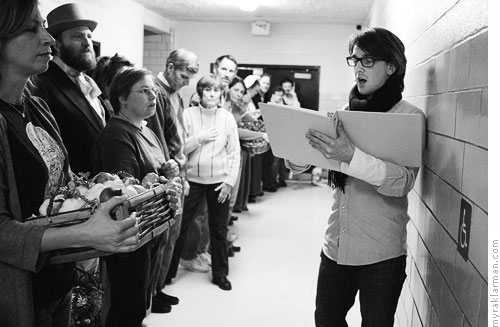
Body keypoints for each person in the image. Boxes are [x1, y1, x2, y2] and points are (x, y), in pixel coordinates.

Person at [0, 1, 140, 326]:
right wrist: (84, 234)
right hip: (18, 294)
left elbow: (59, 183)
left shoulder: (36, 106)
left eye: (45, 27)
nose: (48, 39)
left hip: (56, 283)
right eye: (31, 28)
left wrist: (93, 185)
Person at [287, 28, 425, 326]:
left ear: (391, 66)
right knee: (326, 320)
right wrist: (296, 151)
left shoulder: (408, 117)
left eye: (368, 60)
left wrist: (350, 156)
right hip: (335, 246)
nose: (358, 67)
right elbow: (304, 166)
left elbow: (402, 183)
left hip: (381, 254)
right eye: (355, 60)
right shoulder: (341, 115)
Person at [92, 68, 181, 327]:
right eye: (144, 91)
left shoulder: (145, 129)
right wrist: (158, 181)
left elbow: (153, 169)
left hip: (150, 231)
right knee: (126, 306)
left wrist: (167, 169)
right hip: (130, 237)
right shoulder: (117, 135)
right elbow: (125, 190)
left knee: (138, 304)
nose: (153, 96)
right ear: (122, 98)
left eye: (153, 90)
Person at [169, 74, 240, 291]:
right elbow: (179, 148)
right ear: (200, 92)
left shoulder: (227, 118)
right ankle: (168, 274)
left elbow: (234, 153)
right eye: (208, 90)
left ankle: (220, 274)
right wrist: (200, 138)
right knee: (180, 227)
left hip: (219, 182)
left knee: (218, 230)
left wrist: (228, 182)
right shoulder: (188, 115)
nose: (212, 94)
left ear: (221, 94)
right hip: (192, 181)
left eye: (216, 91)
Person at [145, 48, 199, 314]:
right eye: (182, 75)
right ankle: (151, 294)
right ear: (168, 67)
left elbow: (177, 138)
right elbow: (158, 142)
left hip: (179, 174)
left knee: (172, 236)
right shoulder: (155, 93)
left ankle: (158, 288)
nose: (186, 82)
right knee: (162, 238)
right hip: (167, 176)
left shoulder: (175, 94)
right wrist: (173, 178)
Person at [33, 3, 112, 176]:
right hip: (75, 193)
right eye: (77, 37)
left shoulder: (89, 83)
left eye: (89, 36)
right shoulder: (41, 84)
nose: (87, 43)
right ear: (58, 45)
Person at [261, 86, 286, 193]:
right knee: (270, 161)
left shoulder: (283, 105)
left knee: (277, 161)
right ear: (273, 94)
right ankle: (269, 183)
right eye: (277, 94)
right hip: (269, 136)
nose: (279, 96)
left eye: (281, 95)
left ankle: (274, 181)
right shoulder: (268, 105)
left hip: (280, 136)